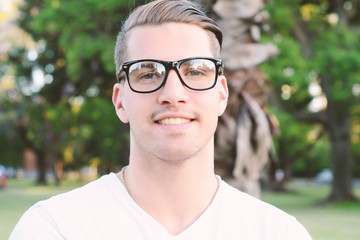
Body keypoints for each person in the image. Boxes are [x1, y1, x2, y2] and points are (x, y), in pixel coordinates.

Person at [10, 0, 312, 239]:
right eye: (147, 73)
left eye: (195, 70)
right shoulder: (55, 229)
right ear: (120, 102)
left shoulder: (277, 233)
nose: (173, 94)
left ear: (222, 94)